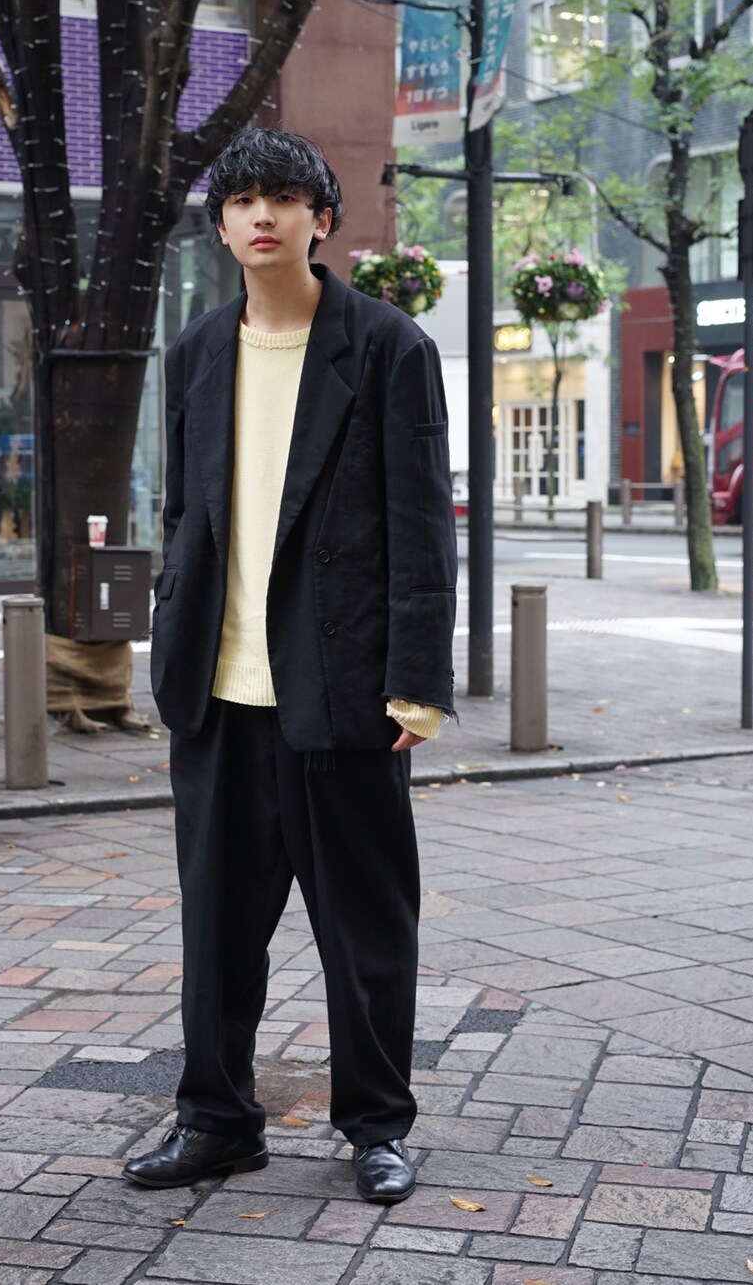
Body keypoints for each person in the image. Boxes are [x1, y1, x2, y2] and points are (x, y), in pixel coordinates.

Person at [125, 128, 456, 1204]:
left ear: (323, 219)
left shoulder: (388, 346)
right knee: (217, 933)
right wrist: (171, 632)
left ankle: (377, 1125)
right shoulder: (196, 351)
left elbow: (422, 525)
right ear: (220, 226)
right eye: (241, 200)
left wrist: (418, 681)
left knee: (364, 933)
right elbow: (186, 513)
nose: (261, 215)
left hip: (342, 691)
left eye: (283, 196)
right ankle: (217, 1120)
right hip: (218, 697)